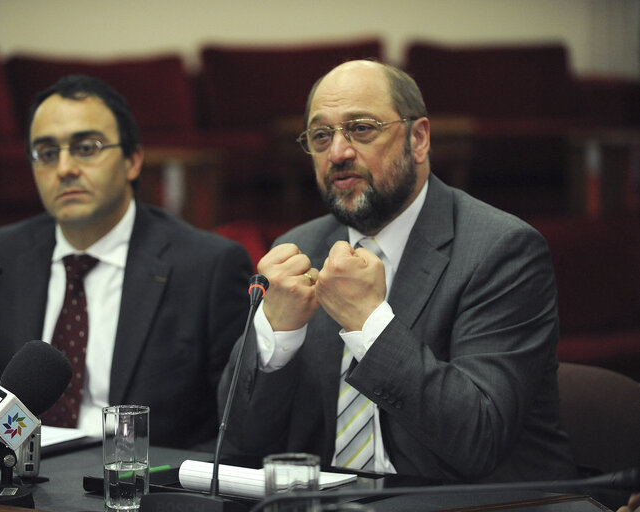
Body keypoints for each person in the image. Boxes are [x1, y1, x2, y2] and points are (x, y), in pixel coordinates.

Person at [218, 60, 577, 482]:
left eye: (362, 129)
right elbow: (238, 443)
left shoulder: (502, 250)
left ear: (419, 138)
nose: (338, 153)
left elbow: (480, 439)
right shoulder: (298, 250)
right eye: (321, 136)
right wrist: (277, 338)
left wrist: (367, 323)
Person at [0, 75, 252, 449]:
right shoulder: (4, 253)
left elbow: (234, 426)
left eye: (86, 148)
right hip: (17, 479)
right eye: (46, 152)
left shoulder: (208, 266)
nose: (65, 168)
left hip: (136, 486)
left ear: (133, 160)